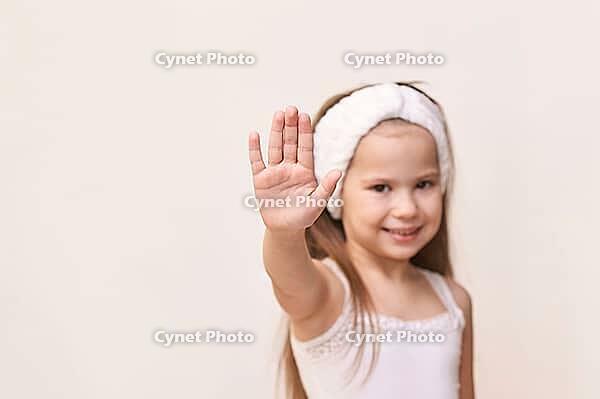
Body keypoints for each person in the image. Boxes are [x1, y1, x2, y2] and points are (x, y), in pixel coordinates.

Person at [247, 82, 474, 399]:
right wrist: (284, 232)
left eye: (424, 184)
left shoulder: (453, 301)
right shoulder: (328, 295)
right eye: (381, 188)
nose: (407, 209)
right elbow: (287, 276)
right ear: (338, 194)